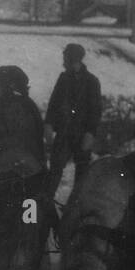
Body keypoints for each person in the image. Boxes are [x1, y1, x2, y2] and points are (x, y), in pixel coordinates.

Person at [0, 65, 46, 194]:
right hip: (29, 160)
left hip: (24, 160)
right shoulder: (24, 104)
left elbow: (19, 140)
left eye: (0, 86)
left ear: (10, 86)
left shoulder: (15, 107)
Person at [46, 42, 102, 195]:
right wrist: (49, 125)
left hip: (82, 135)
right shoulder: (63, 79)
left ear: (74, 60)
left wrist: (90, 133)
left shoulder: (92, 82)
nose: (63, 62)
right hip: (64, 133)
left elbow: (95, 111)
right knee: (54, 171)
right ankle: (45, 207)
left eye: (65, 58)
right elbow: (53, 104)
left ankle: (75, 212)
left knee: (81, 177)